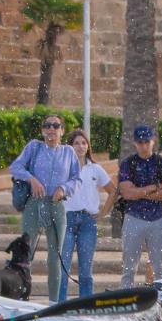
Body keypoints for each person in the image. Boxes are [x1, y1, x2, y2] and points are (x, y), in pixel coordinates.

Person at [10, 114, 79, 297]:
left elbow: (76, 179)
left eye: (56, 126)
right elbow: (15, 167)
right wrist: (31, 179)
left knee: (55, 257)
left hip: (57, 205)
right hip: (34, 203)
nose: (51, 129)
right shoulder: (34, 147)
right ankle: (22, 297)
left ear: (62, 131)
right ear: (42, 130)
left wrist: (63, 189)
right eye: (47, 125)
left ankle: (53, 303)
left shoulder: (68, 152)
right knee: (26, 253)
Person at [59, 128, 112, 302]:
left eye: (83, 143)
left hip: (88, 222)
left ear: (88, 146)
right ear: (70, 146)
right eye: (76, 143)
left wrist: (103, 212)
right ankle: (59, 304)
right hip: (66, 220)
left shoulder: (95, 169)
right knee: (63, 266)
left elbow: (113, 191)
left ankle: (86, 306)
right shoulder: (63, 168)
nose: (80, 146)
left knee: (85, 268)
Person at [117, 125, 162, 287]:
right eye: (140, 142)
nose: (144, 145)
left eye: (147, 141)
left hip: (157, 219)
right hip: (134, 217)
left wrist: (138, 191)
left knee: (159, 268)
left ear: (153, 141)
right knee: (128, 268)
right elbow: (126, 193)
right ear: (135, 143)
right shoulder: (128, 163)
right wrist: (153, 187)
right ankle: (126, 299)